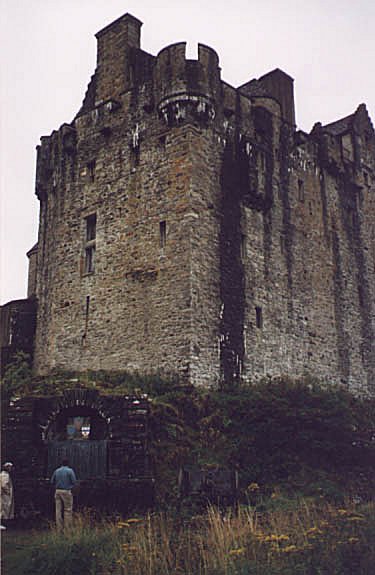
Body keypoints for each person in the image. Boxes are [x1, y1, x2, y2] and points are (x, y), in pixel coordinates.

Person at [50, 458, 77, 530]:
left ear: (61, 463)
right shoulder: (70, 471)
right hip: (66, 491)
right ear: (68, 464)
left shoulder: (56, 471)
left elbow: (52, 481)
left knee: (58, 510)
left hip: (57, 491)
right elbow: (74, 482)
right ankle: (67, 528)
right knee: (67, 510)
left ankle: (59, 528)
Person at [0, 462, 15, 530]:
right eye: (10, 467)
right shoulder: (4, 475)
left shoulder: (6, 474)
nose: (11, 469)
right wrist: (8, 492)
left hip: (6, 495)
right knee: (3, 509)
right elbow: (4, 485)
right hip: (4, 495)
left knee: (6, 509)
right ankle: (2, 523)